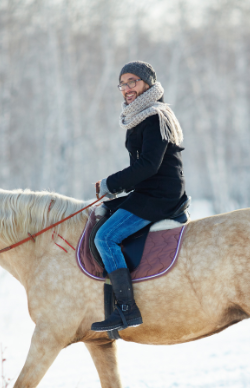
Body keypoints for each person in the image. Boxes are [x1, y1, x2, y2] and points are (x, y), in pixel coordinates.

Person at [91, 61, 188, 332]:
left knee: (105, 237)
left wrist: (112, 182)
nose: (126, 89)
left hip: (160, 194)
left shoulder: (156, 116)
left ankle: (126, 309)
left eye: (132, 81)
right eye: (122, 84)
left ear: (147, 82)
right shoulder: (140, 116)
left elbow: (147, 166)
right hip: (150, 190)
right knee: (101, 214)